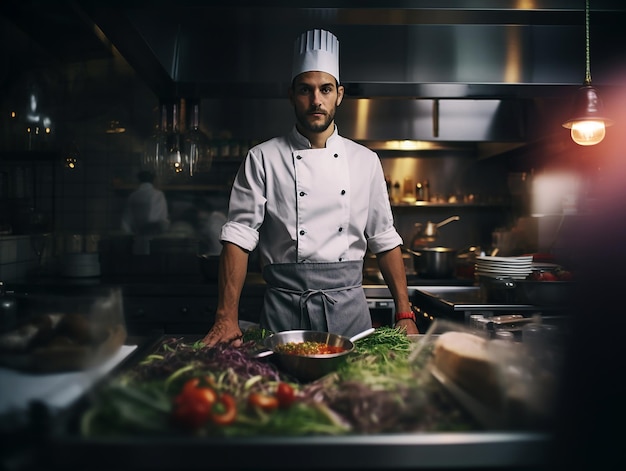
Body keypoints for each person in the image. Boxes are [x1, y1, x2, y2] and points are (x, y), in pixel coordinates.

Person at [202, 29, 418, 347]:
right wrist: (226, 317)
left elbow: (384, 240)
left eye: (325, 89)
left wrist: (405, 315)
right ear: (292, 95)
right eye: (306, 90)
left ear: (339, 95)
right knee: (281, 393)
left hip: (350, 316)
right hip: (284, 314)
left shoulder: (365, 160)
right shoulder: (262, 158)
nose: (316, 100)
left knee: (352, 393)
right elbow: (238, 236)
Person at [121, 170, 170, 254]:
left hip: (137, 239)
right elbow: (158, 219)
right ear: (153, 180)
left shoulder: (133, 196)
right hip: (155, 240)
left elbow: (125, 222)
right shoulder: (157, 195)